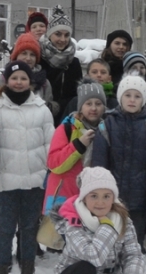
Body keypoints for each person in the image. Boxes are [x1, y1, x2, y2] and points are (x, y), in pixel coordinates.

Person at [50, 167, 144, 274]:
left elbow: (133, 253)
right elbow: (93, 256)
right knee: (85, 269)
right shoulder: (73, 220)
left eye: (106, 196)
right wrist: (107, 227)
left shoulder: (122, 219)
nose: (100, 202)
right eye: (94, 196)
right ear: (84, 197)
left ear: (113, 197)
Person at [0, 60, 55, 274]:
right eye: (14, 78)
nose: (18, 82)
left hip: (34, 179)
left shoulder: (41, 109)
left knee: (28, 227)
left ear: (29, 81)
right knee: (5, 227)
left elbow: (49, 143)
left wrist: (47, 170)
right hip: (5, 179)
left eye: (23, 78)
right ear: (6, 81)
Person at [91, 75, 146, 247]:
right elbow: (98, 167)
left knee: (132, 248)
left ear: (143, 100)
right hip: (111, 201)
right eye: (127, 95)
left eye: (137, 96)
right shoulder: (107, 125)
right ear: (120, 97)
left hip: (138, 203)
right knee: (108, 246)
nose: (132, 100)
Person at [45, 79, 107, 216]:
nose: (93, 108)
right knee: (56, 237)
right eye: (88, 103)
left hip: (92, 199)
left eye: (98, 103)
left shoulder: (107, 131)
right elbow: (54, 164)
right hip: (62, 196)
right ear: (80, 106)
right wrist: (78, 145)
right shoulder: (66, 128)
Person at [40, 6, 83, 120]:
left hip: (65, 118)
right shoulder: (39, 59)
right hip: (40, 116)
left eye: (67, 35)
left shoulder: (74, 63)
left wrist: (60, 106)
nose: (63, 39)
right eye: (58, 34)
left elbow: (75, 96)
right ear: (49, 35)